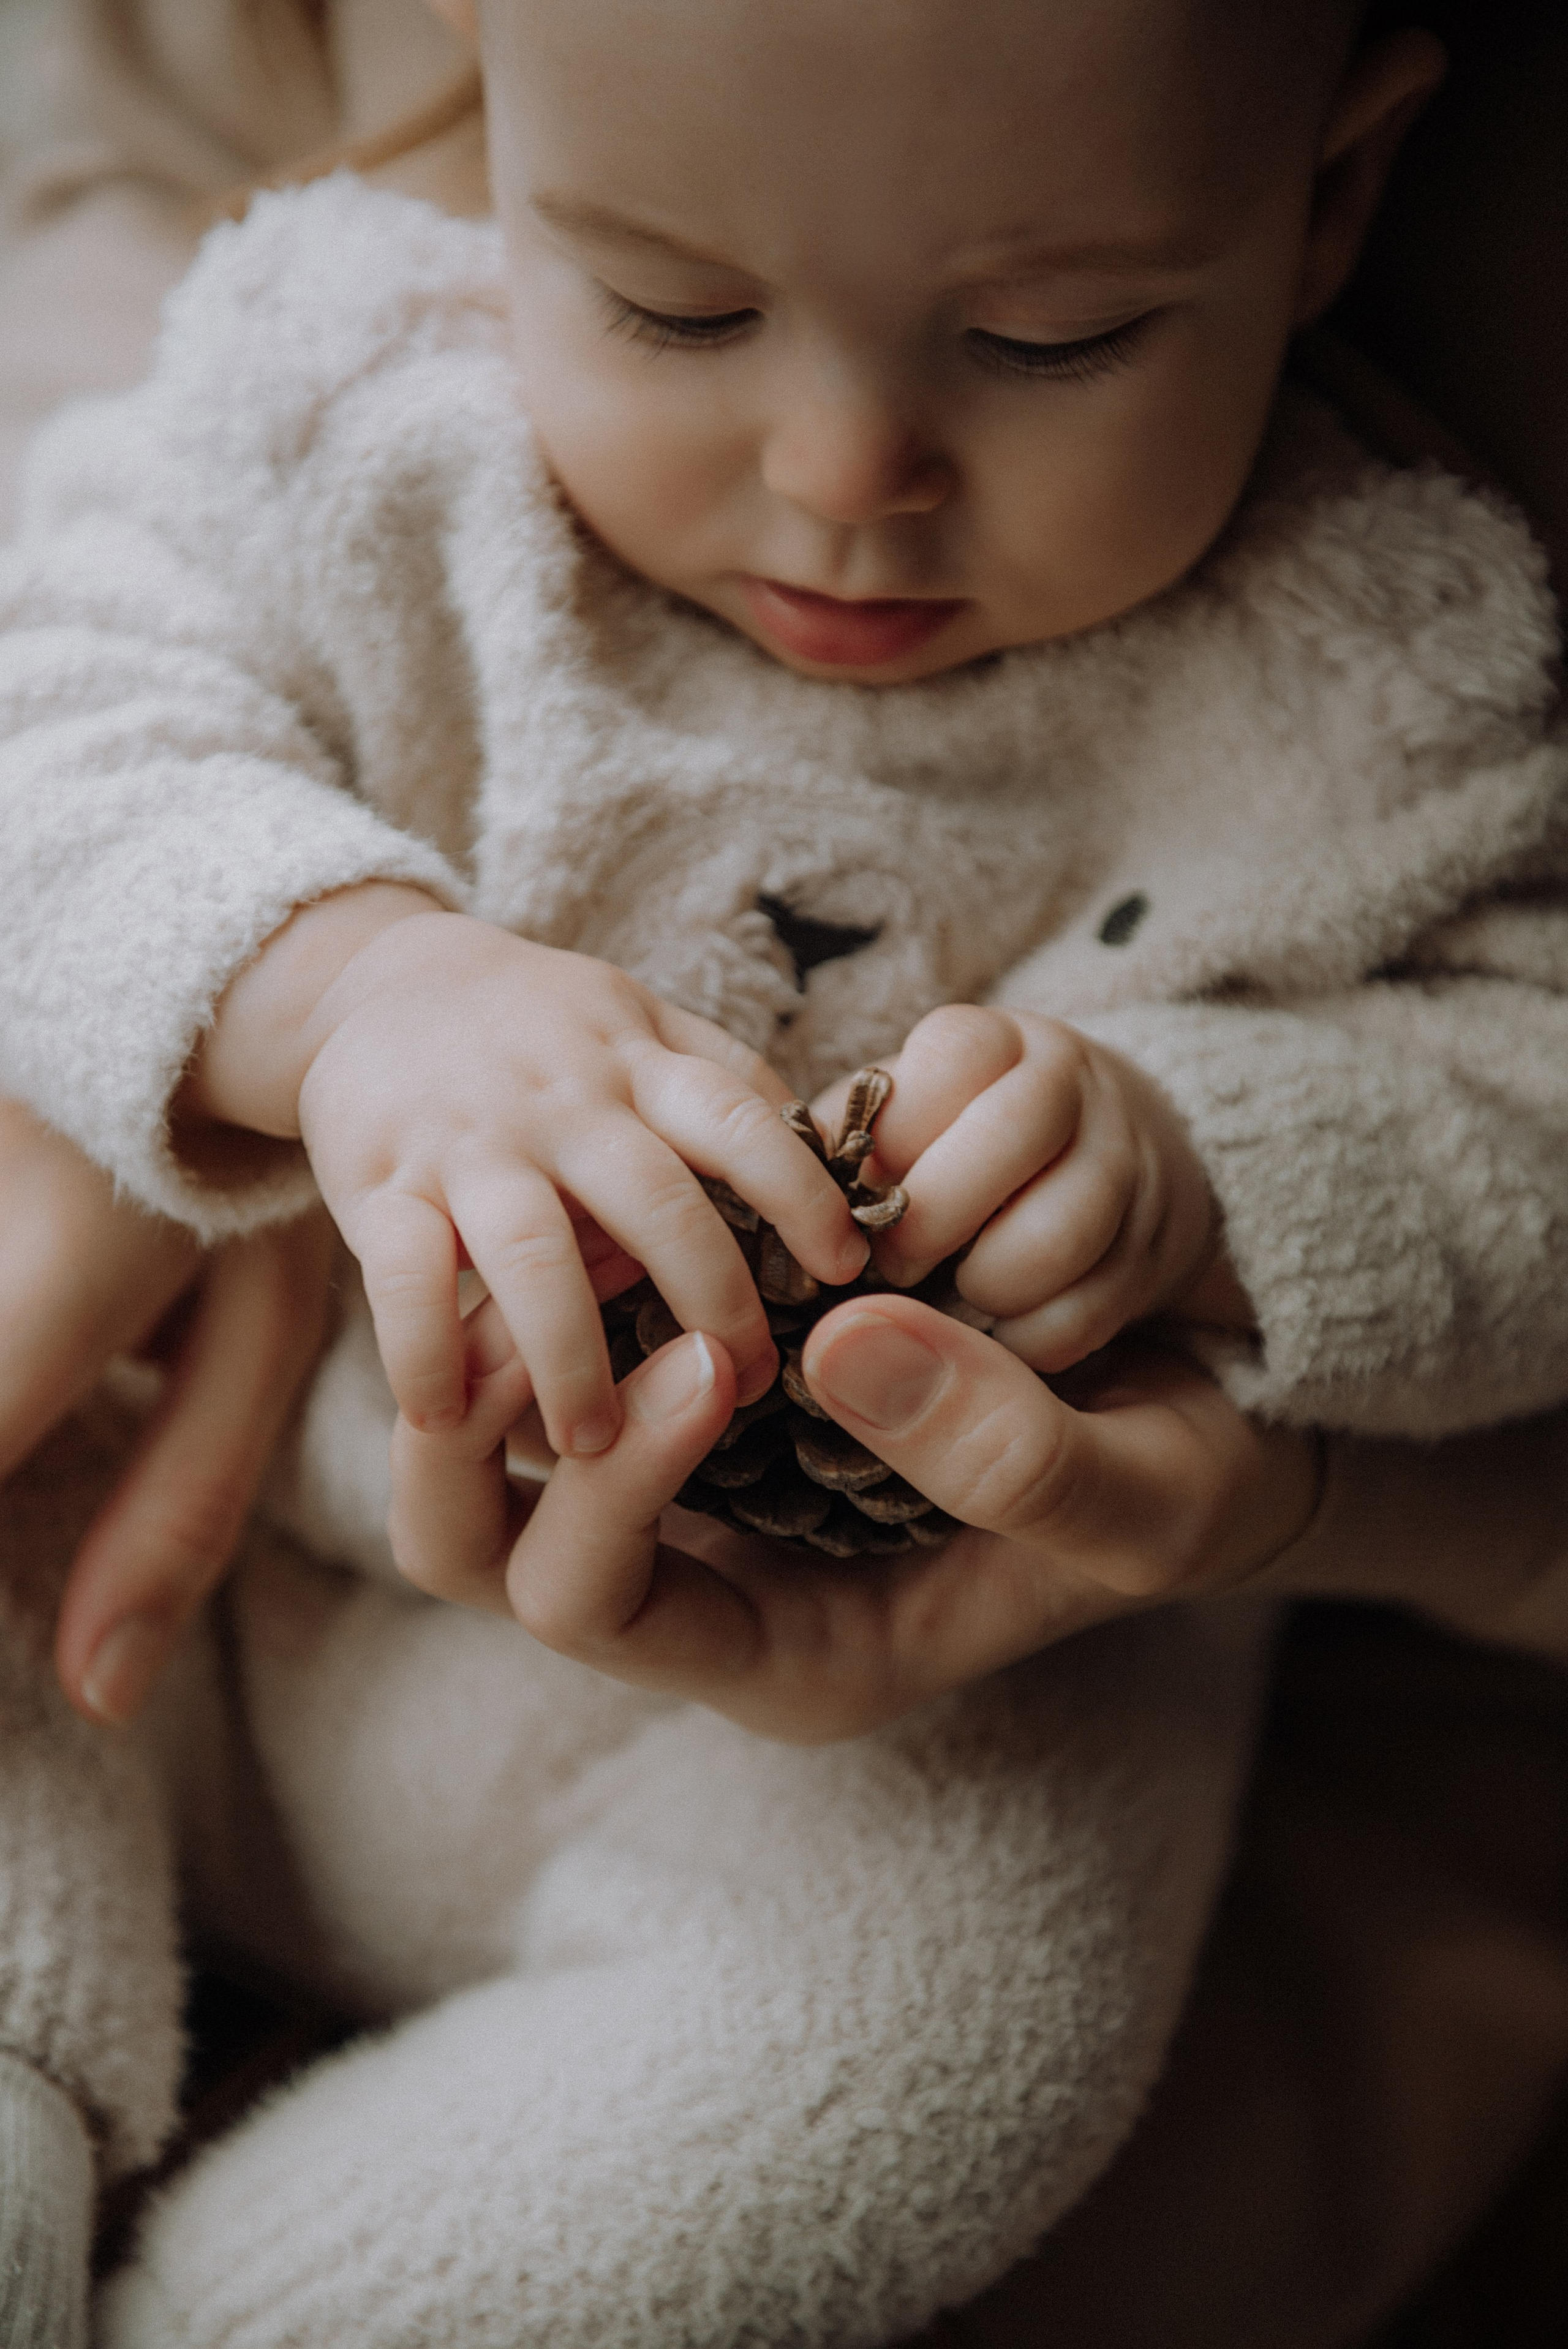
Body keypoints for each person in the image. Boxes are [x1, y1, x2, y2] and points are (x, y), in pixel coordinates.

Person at [1, 2, 1567, 2345]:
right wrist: (344, 989)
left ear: (1333, 193)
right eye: (675, 306)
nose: (849, 471)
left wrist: (1210, 1166)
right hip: (167, 1561)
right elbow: (54, 699)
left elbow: (1531, 1121)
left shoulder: (1379, 668)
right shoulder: (343, 397)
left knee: (939, 2044)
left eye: (1056, 336)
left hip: (873, 1714)